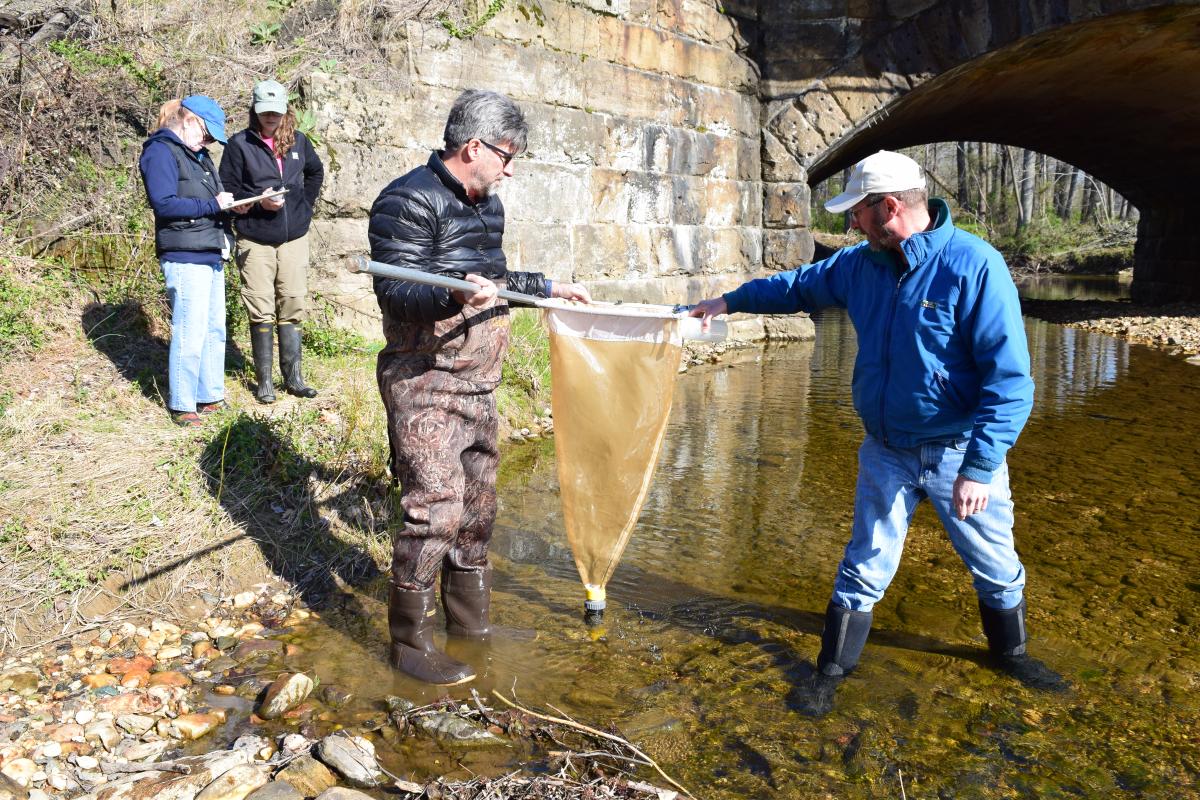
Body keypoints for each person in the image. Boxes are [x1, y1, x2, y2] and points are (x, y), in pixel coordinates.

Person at [690, 149, 1067, 716]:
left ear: (889, 207)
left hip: (958, 451)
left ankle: (1011, 656)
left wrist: (981, 467)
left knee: (992, 561)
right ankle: (831, 671)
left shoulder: (974, 266)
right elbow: (798, 286)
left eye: (858, 214)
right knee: (864, 561)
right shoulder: (859, 265)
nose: (851, 225)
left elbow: (1010, 380)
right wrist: (731, 300)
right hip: (886, 450)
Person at [368, 89, 591, 684]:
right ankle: (409, 642)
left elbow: (494, 277)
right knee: (433, 512)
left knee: (477, 512)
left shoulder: (487, 204)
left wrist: (547, 286)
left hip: (480, 383)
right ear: (474, 147)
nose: (511, 168)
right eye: (507, 155)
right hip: (426, 381)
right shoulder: (405, 200)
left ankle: (472, 628)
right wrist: (451, 292)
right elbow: (396, 291)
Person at [140, 95, 244, 427]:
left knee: (213, 330)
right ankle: (183, 403)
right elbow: (165, 205)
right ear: (189, 121)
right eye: (207, 134)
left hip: (210, 250)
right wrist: (213, 205)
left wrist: (229, 206)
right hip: (184, 254)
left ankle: (210, 396)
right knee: (190, 329)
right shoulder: (160, 151)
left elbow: (208, 200)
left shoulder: (198, 156)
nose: (210, 141)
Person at [218, 79, 325, 404]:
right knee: (261, 307)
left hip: (294, 238)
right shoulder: (239, 145)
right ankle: (265, 382)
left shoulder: (300, 142)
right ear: (254, 110)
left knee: (292, 303)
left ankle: (293, 378)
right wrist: (258, 200)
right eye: (264, 112)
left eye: (276, 112)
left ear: (285, 111)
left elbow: (315, 173)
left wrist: (302, 206)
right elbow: (229, 192)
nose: (270, 118)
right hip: (256, 238)